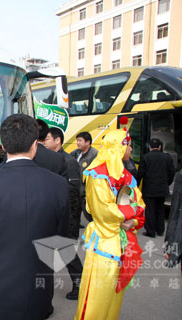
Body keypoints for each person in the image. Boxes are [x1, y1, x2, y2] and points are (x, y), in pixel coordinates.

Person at [0, 114, 69, 320]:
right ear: (35, 145)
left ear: (3, 145)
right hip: (38, 294)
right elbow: (62, 240)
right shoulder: (58, 185)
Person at [74, 130, 145, 320]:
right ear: (119, 146)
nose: (130, 148)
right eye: (128, 144)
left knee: (113, 295)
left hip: (122, 242)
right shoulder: (98, 176)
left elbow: (140, 205)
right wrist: (129, 217)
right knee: (97, 295)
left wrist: (134, 220)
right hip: (103, 243)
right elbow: (102, 210)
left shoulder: (128, 177)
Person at [45, 127, 83, 300]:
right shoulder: (51, 159)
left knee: (66, 251)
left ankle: (80, 284)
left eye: (47, 139)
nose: (45, 142)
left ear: (57, 140)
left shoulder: (68, 161)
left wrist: (72, 221)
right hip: (54, 213)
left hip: (67, 215)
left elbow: (74, 193)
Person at [138, 138, 175, 237]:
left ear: (150, 147)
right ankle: (160, 230)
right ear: (160, 147)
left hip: (149, 189)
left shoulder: (145, 158)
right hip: (162, 189)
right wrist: (167, 183)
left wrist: (136, 186)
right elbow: (172, 173)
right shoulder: (167, 158)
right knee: (160, 209)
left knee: (150, 210)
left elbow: (140, 174)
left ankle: (150, 231)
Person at [70, 132, 98, 222]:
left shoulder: (94, 154)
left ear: (88, 142)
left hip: (87, 191)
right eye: (77, 141)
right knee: (74, 213)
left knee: (90, 214)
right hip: (76, 189)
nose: (78, 143)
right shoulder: (75, 153)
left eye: (80, 141)